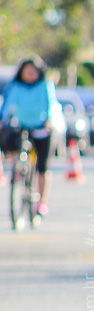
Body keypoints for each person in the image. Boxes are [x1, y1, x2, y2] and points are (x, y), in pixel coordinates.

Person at [1, 57, 61, 215]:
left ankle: (42, 201)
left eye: (33, 72)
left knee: (43, 166)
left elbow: (51, 103)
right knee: (12, 142)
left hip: (42, 127)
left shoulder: (44, 86)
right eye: (27, 72)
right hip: (22, 125)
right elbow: (7, 105)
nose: (30, 75)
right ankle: (18, 170)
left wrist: (48, 120)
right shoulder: (16, 86)